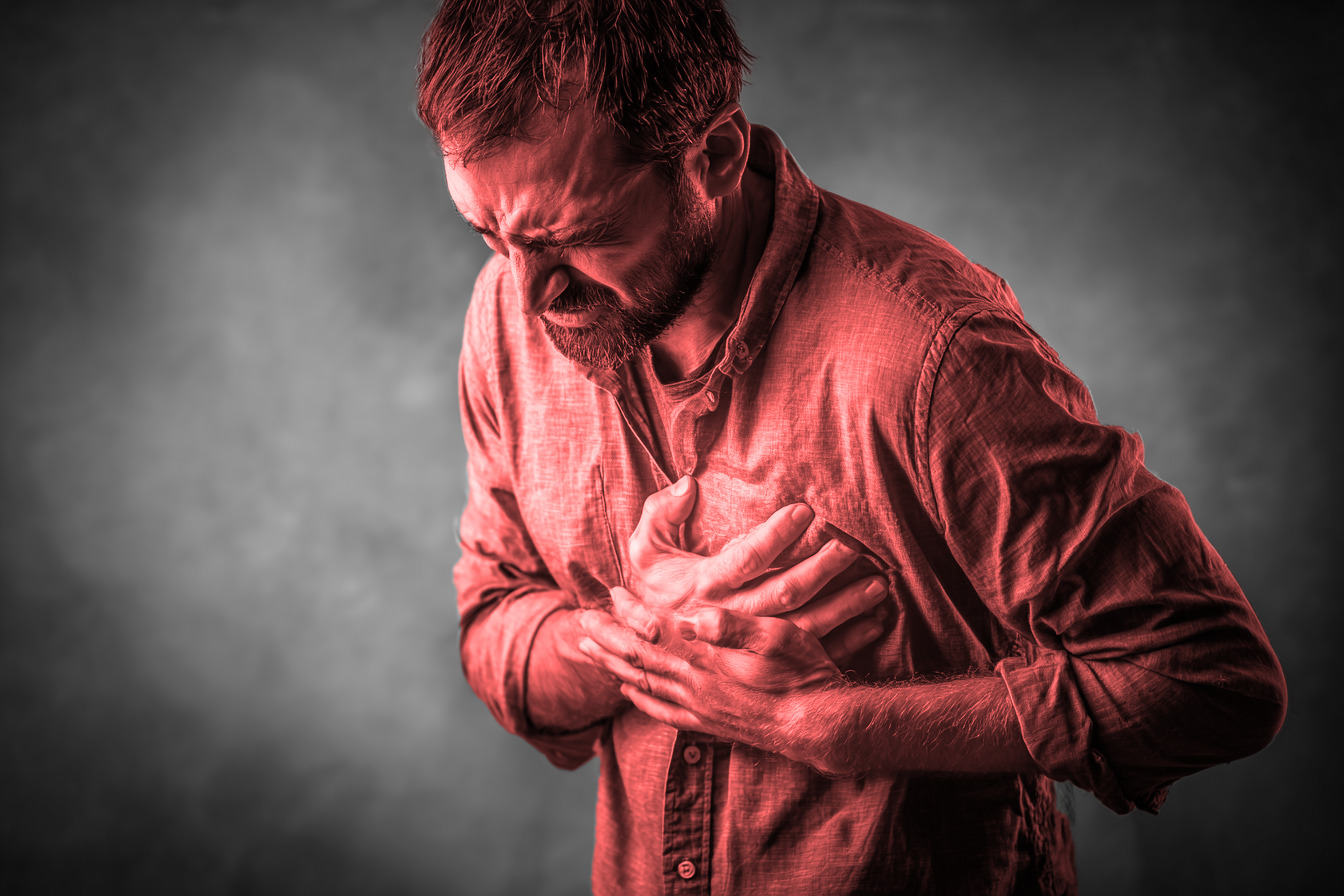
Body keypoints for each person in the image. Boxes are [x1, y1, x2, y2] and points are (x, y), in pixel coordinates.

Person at [417, 2, 1288, 893]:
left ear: (715, 157)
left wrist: (826, 723)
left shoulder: (934, 355)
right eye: (489, 234)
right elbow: (493, 627)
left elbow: (1209, 682)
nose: (529, 294)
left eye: (572, 237)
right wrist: (640, 635)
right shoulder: (505, 315)